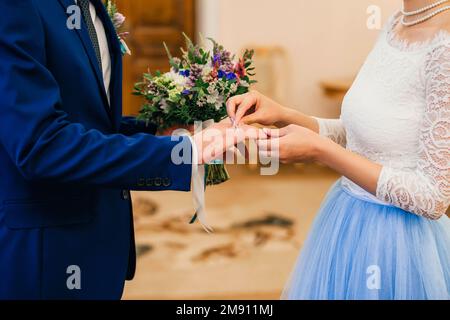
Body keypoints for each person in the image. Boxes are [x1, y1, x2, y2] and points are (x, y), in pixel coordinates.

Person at [0, 0, 249, 299]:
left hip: (96, 238)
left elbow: (90, 120)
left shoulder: (90, 6)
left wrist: (157, 132)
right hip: (46, 250)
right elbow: (42, 145)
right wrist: (184, 151)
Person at [227, 0, 450, 299]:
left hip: (397, 244)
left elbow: (433, 197)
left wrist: (320, 151)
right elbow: (359, 135)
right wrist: (284, 114)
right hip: (348, 220)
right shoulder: (396, 23)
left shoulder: (444, 46)